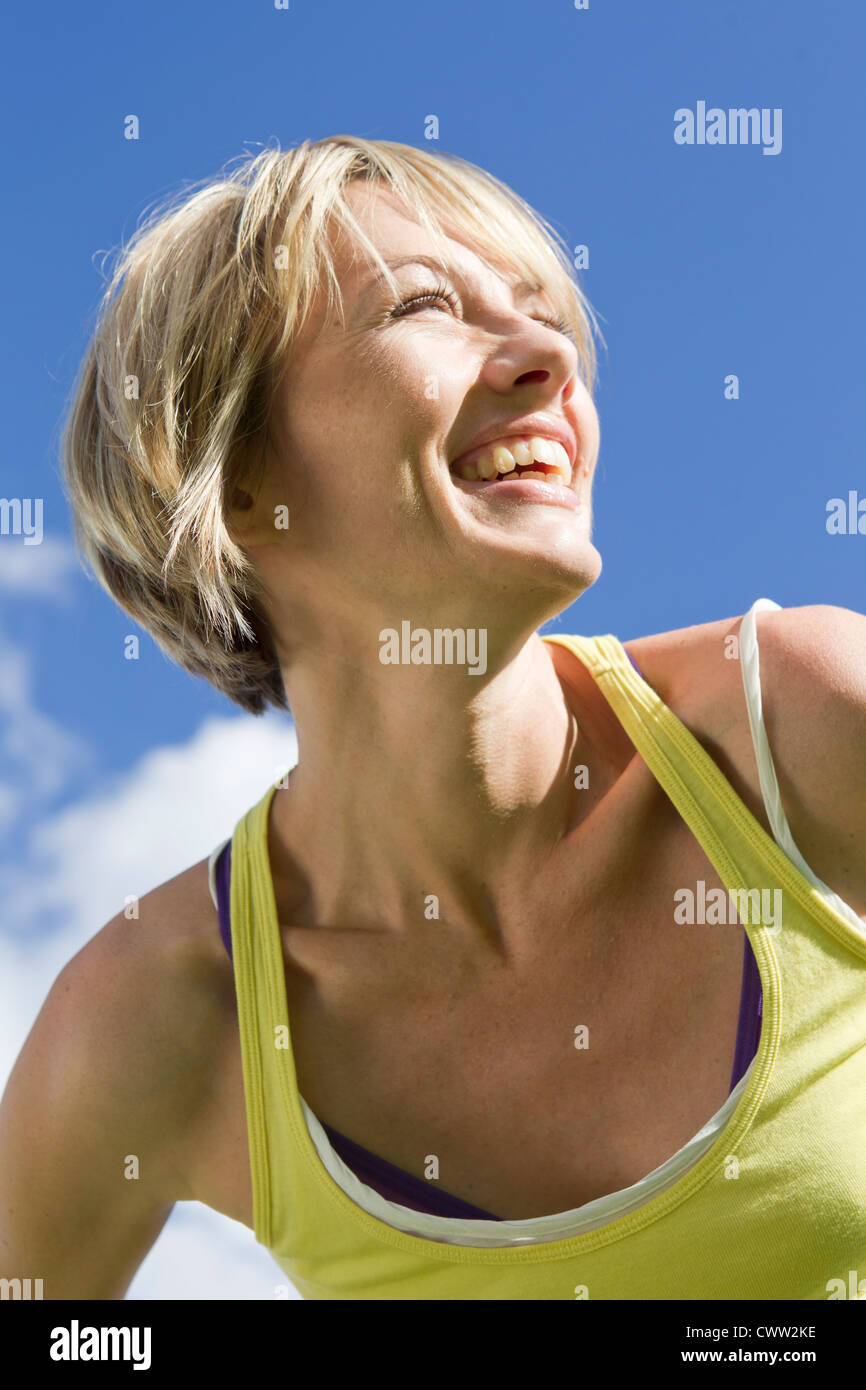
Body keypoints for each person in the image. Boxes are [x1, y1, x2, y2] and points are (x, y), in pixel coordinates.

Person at [1, 136, 864, 1301]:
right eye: (422, 305)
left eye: (541, 310)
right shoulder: (161, 1012)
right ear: (231, 468)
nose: (548, 353)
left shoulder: (800, 719)